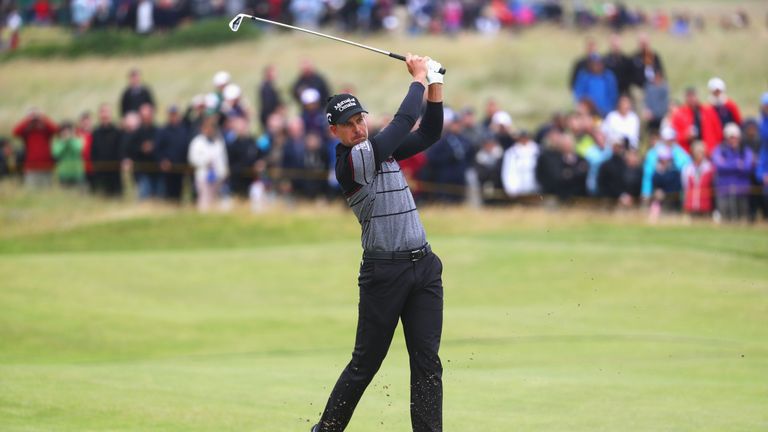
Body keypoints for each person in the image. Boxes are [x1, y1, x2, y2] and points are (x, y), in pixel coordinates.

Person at [312, 54, 444, 432]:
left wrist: (435, 84)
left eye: (360, 120)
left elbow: (429, 132)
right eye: (348, 125)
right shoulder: (352, 164)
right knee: (365, 363)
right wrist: (418, 78)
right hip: (384, 272)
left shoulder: (380, 150)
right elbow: (402, 123)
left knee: (427, 362)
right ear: (333, 132)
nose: (358, 128)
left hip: (424, 267)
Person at [711, 123, 754, 222]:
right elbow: (719, 166)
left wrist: (727, 164)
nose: (734, 139)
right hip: (724, 189)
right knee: (725, 218)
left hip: (742, 190)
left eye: (736, 137)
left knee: (742, 218)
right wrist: (737, 164)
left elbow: (748, 167)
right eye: (731, 137)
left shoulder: (745, 151)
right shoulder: (719, 150)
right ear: (726, 137)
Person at [188, 116, 229, 212]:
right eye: (207, 127)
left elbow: (223, 159)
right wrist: (205, 161)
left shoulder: (218, 142)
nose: (210, 130)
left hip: (217, 177)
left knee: (216, 200)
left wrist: (223, 173)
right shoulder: (197, 142)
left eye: (212, 127)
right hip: (203, 176)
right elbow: (192, 159)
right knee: (204, 200)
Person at [641, 126, 691, 201]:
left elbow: (686, 167)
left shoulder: (680, 152)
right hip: (658, 186)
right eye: (667, 140)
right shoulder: (653, 153)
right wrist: (646, 192)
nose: (669, 142)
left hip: (674, 187)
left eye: (671, 139)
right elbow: (648, 174)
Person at [12, 108, 57, 189]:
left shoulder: (46, 130)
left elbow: (55, 130)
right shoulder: (26, 132)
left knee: (46, 191)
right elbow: (15, 131)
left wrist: (42, 117)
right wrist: (28, 119)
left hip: (46, 165)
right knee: (32, 190)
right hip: (31, 166)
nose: (35, 121)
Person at [670, 87, 722, 154]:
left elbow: (718, 131)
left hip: (709, 150)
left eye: (693, 96)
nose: (692, 99)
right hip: (688, 152)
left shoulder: (708, 111)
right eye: (689, 96)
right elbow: (674, 136)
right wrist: (686, 136)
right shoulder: (679, 114)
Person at [155, 105, 191, 202]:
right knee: (169, 195)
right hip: (168, 169)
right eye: (171, 114)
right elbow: (158, 149)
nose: (173, 117)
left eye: (175, 114)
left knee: (180, 193)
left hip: (182, 167)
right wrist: (162, 160)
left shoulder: (184, 129)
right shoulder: (163, 130)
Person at [91, 104, 123, 197]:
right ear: (99, 115)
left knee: (116, 196)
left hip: (115, 170)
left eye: (107, 112)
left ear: (110, 114)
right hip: (100, 171)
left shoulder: (117, 131)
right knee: (102, 196)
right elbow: (93, 151)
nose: (105, 115)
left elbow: (121, 149)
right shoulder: (96, 132)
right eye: (102, 112)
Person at [500, 130, 539, 198]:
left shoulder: (537, 150)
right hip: (518, 188)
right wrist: (511, 188)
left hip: (535, 188)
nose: (524, 140)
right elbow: (508, 171)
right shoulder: (511, 152)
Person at [681, 141, 715, 216]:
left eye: (701, 152)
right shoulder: (687, 168)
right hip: (690, 205)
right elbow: (685, 186)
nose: (699, 155)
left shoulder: (709, 167)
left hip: (705, 205)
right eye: (697, 152)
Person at [51, 121, 85, 187]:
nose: (66, 133)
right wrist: (64, 142)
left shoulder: (77, 140)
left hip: (77, 174)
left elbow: (78, 149)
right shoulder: (58, 142)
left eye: (68, 131)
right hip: (64, 174)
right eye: (64, 131)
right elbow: (56, 153)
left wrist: (70, 140)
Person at [258, 65, 282, 131]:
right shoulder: (266, 87)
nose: (276, 74)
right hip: (270, 118)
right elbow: (268, 104)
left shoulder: (270, 85)